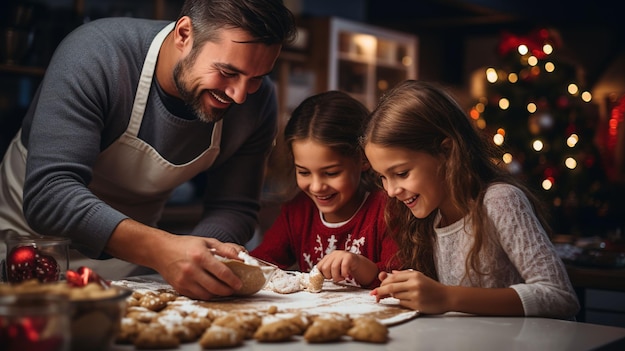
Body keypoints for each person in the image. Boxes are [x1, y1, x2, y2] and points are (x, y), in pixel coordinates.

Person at [0, 0, 297, 300]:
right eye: (227, 72)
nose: (240, 95)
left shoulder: (258, 104)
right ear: (184, 35)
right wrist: (163, 249)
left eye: (256, 78)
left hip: (134, 266)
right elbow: (50, 195)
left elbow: (235, 208)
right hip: (22, 249)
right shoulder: (96, 55)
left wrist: (199, 258)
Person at [362, 80, 580, 319]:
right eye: (382, 176)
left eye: (402, 173)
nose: (391, 190)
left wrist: (447, 297)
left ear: (447, 152)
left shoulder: (499, 201)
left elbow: (560, 296)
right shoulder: (426, 214)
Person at [250, 91, 400, 288]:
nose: (316, 186)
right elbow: (262, 264)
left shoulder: (388, 211)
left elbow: (402, 278)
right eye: (304, 172)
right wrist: (237, 259)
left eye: (331, 173)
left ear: (363, 159)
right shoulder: (297, 212)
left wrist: (364, 269)